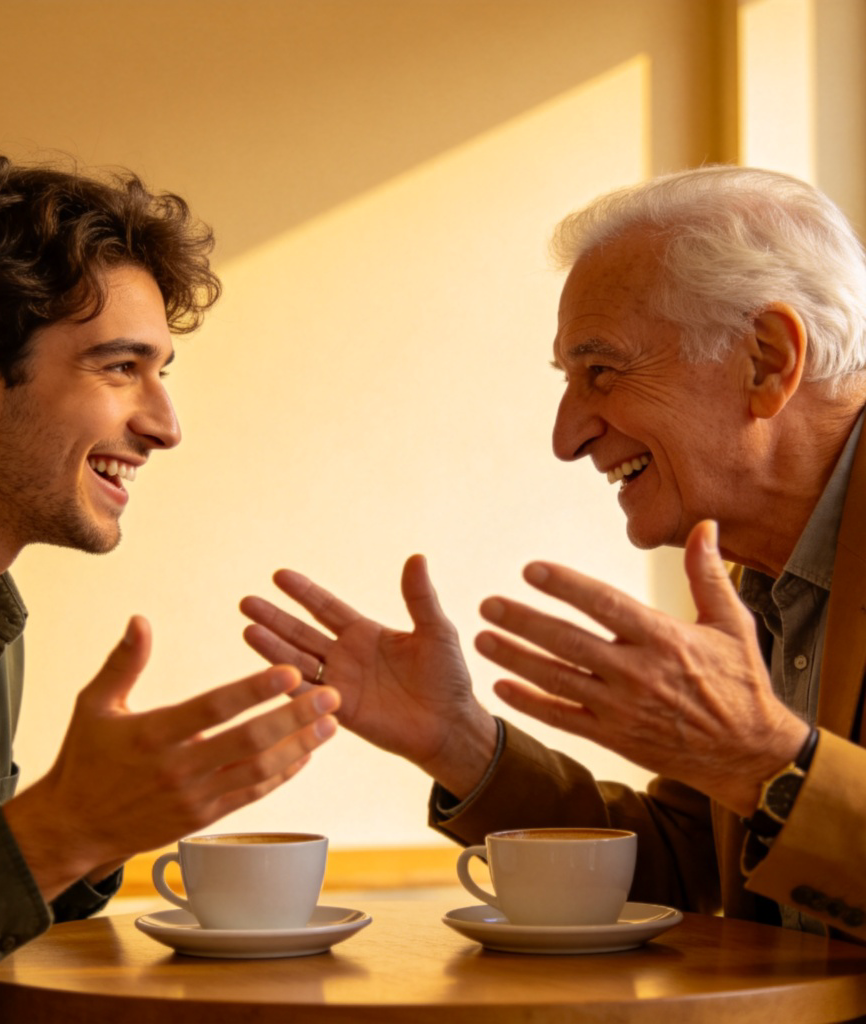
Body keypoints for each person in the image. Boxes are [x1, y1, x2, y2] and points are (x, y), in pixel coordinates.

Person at [240, 165, 866, 944]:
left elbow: (775, 798)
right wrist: (462, 745)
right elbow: (689, 865)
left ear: (767, 359)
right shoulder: (756, 582)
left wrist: (773, 767)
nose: (566, 437)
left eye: (601, 372)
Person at [0, 155, 341, 1024]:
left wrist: (111, 820)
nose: (165, 425)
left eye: (163, 373)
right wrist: (63, 828)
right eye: (120, 368)